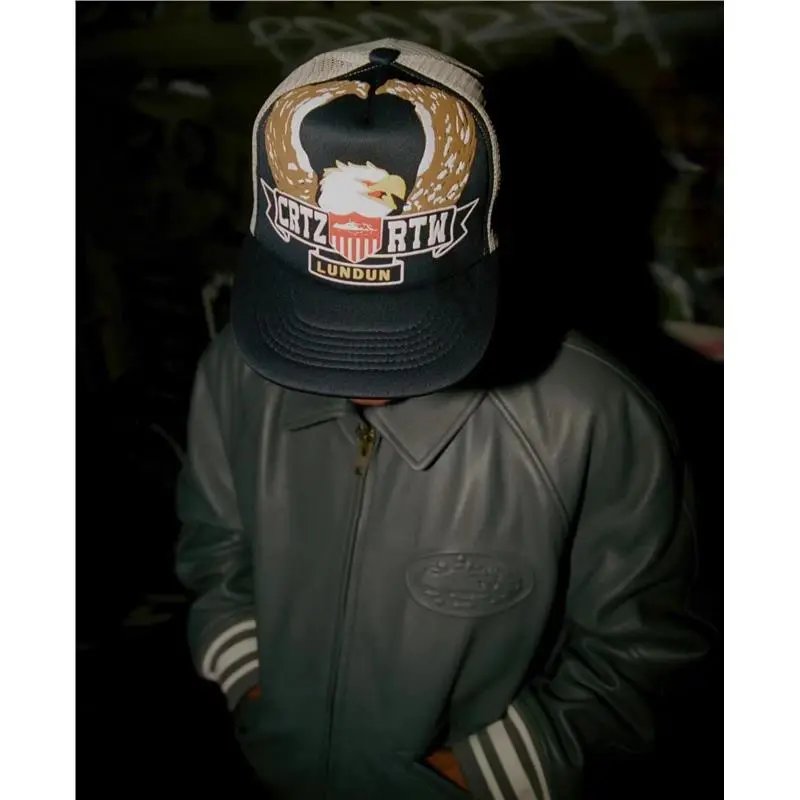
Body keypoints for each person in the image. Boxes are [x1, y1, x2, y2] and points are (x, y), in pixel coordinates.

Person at [175, 39, 708, 800]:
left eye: (399, 324)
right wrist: (254, 687)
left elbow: (649, 653)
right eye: (322, 318)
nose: (360, 371)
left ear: (496, 231)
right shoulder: (232, 369)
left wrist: (482, 777)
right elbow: (214, 548)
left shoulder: (598, 415)